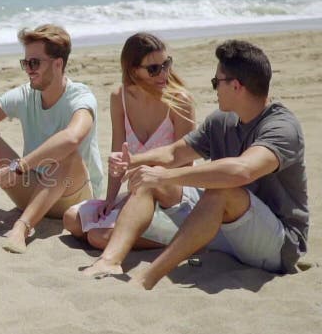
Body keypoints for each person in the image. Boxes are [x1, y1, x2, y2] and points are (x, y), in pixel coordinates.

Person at [90, 40, 308, 288]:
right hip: (227, 231)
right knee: (149, 178)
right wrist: (133, 162)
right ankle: (109, 261)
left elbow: (241, 171)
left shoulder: (281, 127)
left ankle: (146, 279)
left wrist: (165, 177)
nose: (214, 88)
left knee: (219, 189)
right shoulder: (221, 121)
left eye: (217, 82)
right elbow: (175, 154)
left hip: (276, 245)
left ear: (236, 86)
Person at [0, 24, 103, 254]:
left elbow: (71, 138)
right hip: (33, 190)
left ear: (58, 64)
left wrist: (19, 166)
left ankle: (22, 227)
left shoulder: (80, 97)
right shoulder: (26, 94)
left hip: (74, 197)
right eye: (26, 63)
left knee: (68, 153)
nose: (28, 69)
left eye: (34, 63)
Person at [62, 33, 197, 256]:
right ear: (134, 71)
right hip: (135, 194)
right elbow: (118, 154)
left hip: (172, 198)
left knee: (97, 236)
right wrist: (111, 199)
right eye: (154, 69)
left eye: (166, 64)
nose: (163, 73)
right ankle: (131, 229)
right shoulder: (120, 97)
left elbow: (184, 163)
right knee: (71, 219)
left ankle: (178, 237)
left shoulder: (180, 100)